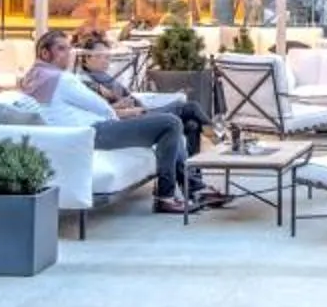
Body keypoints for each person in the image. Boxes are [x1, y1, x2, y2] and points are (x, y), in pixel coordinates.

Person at [23, 29, 215, 215]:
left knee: (175, 126)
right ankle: (167, 197)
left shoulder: (33, 78)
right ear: (45, 53)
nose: (68, 53)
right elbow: (100, 106)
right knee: (171, 123)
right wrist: (124, 115)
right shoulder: (61, 79)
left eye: (68, 48)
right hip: (95, 132)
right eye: (61, 49)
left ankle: (192, 189)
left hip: (84, 132)